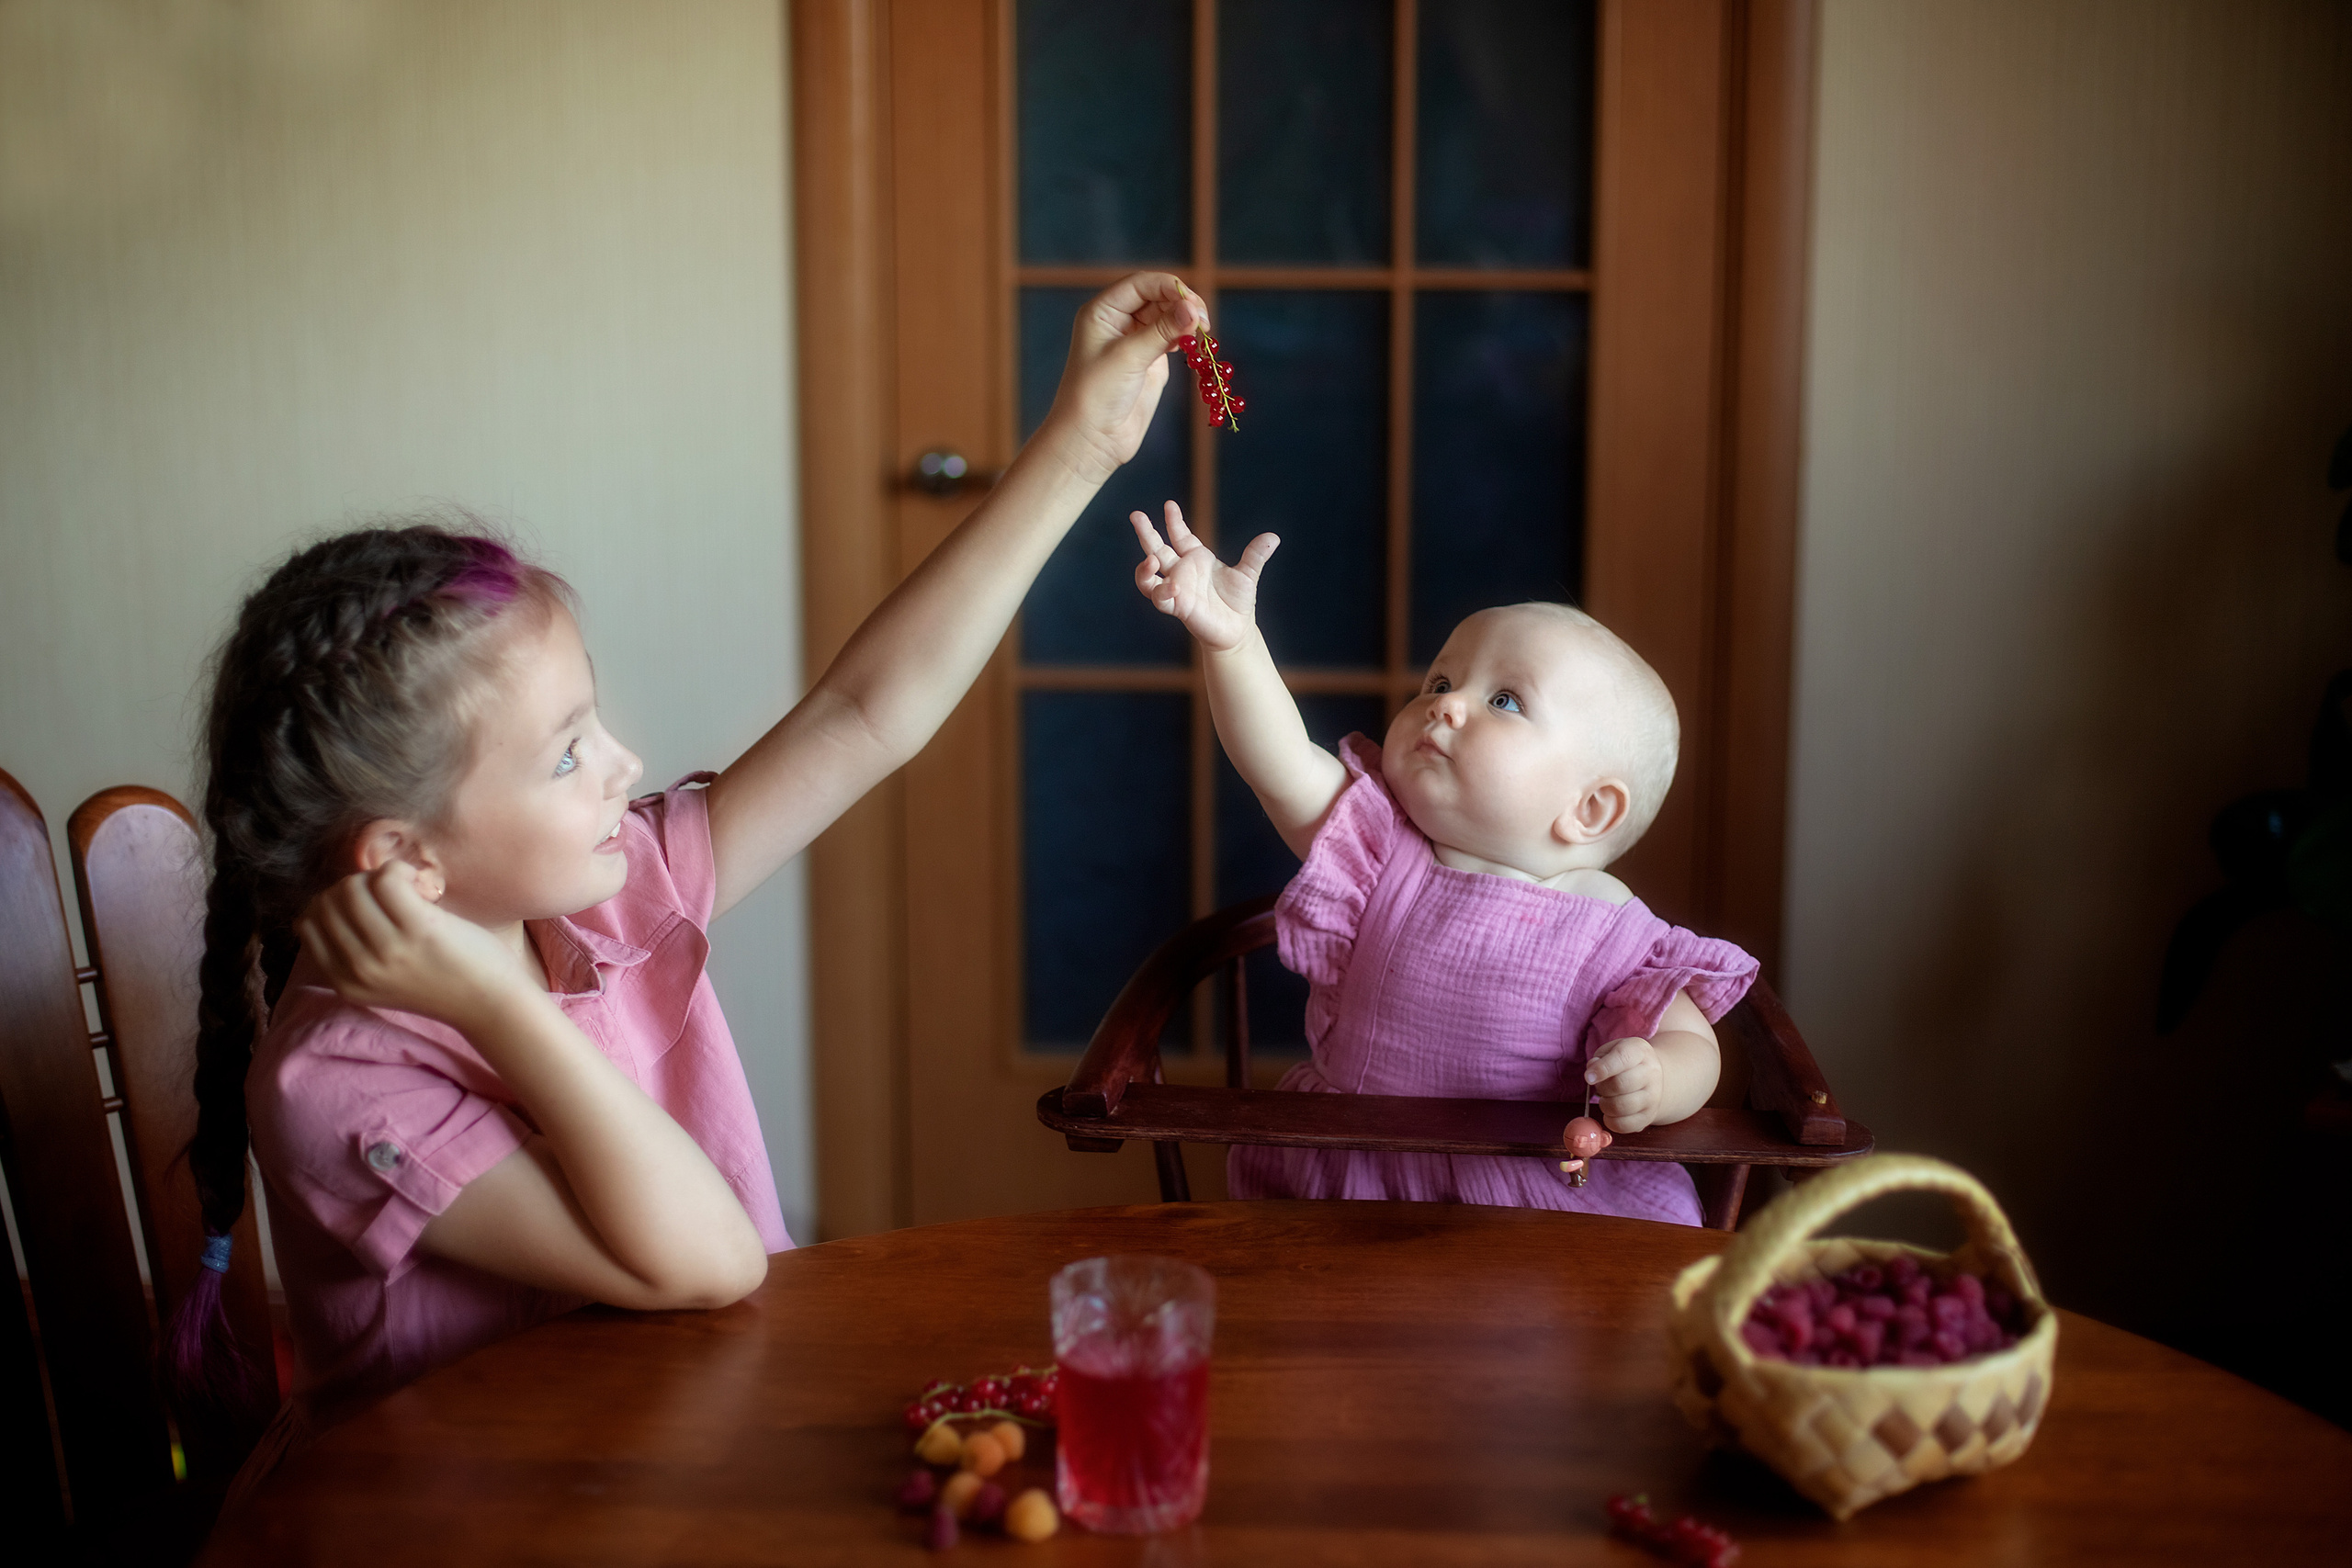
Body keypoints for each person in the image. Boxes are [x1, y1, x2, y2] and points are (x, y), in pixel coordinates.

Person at [176, 275, 1209, 1442]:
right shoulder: (337, 1085)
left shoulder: (597, 892)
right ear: (405, 859)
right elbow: (707, 1260)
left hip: (680, 1454)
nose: (624, 765)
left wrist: (1080, 448)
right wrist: (496, 1009)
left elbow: (863, 715)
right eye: (567, 755)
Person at [1128, 502, 1758, 1224]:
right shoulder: (1379, 851)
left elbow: (1692, 1041)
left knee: (1563, 1320)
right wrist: (1233, 643)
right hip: (1349, 1177)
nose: (1447, 704)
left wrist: (1657, 1078)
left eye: (1505, 699)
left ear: (1588, 811)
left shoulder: (1613, 932)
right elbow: (1279, 764)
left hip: (1528, 1198)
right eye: (1438, 682)